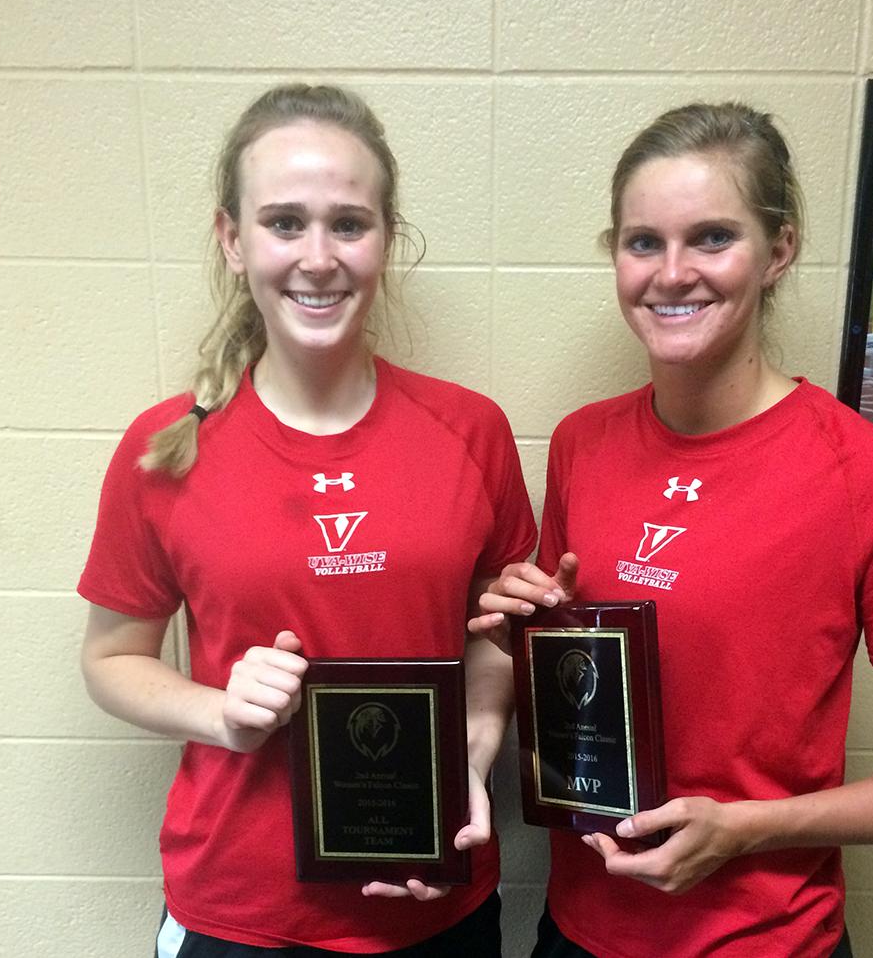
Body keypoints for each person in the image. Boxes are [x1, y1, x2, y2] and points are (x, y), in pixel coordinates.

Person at [470, 102, 873, 957]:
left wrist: (750, 827)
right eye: (642, 242)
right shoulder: (584, 442)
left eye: (711, 238)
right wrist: (512, 625)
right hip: (576, 932)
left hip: (761, 941)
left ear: (778, 250)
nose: (672, 273)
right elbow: (565, 675)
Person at [79, 83, 536, 957]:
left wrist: (467, 767)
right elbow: (110, 659)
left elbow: (496, 637)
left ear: (386, 238)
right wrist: (221, 711)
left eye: (349, 224)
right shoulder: (165, 447)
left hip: (434, 899)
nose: (317, 256)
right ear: (233, 238)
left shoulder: (470, 431)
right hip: (242, 915)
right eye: (285, 222)